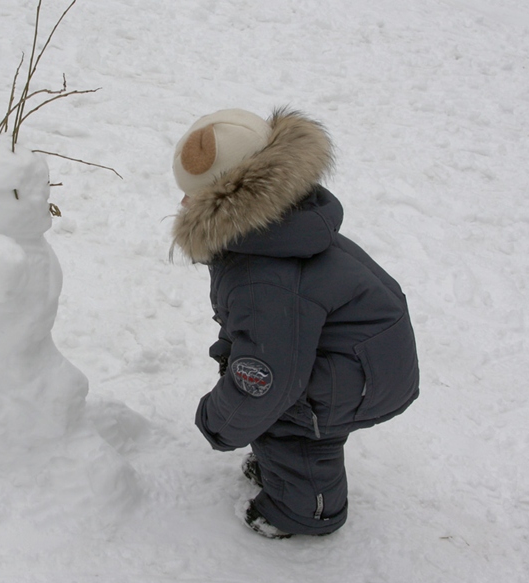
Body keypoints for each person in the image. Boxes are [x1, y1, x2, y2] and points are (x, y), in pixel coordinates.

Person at [171, 108, 420, 539]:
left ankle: (305, 510)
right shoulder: (280, 228)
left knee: (292, 424)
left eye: (194, 197)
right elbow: (259, 333)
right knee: (276, 407)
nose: (182, 204)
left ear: (226, 201)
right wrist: (230, 355)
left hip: (364, 375)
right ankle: (285, 467)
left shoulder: (262, 276)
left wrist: (220, 422)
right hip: (365, 354)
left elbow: (267, 381)